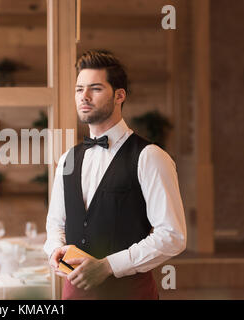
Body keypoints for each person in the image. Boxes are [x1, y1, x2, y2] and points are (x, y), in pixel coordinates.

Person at [43, 50, 187, 300]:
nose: (84, 97)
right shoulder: (68, 159)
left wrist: (109, 265)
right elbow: (56, 223)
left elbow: (172, 236)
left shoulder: (150, 157)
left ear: (120, 95)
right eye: (79, 89)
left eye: (95, 89)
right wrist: (55, 248)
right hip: (74, 294)